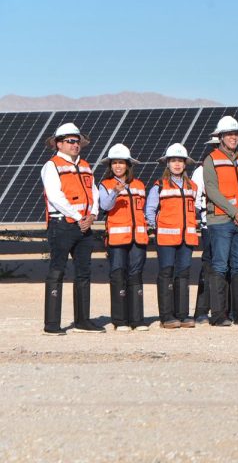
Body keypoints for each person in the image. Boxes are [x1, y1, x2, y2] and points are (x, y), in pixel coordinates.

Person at [41, 122, 105, 334]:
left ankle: (82, 320)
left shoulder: (86, 165)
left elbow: (94, 192)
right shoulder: (52, 165)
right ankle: (51, 324)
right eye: (70, 141)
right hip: (62, 225)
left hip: (85, 226)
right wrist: (79, 217)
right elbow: (55, 196)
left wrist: (93, 214)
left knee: (84, 273)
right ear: (59, 144)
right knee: (57, 271)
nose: (75, 145)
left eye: (77, 141)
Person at [203, 116, 238, 327]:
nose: (233, 137)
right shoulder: (211, 159)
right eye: (229, 134)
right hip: (220, 220)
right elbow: (212, 190)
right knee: (219, 265)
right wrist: (235, 212)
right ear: (220, 137)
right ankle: (218, 315)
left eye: (235, 134)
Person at [146, 143, 199, 329]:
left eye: (180, 161)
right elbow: (150, 210)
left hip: (187, 238)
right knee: (166, 274)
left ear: (185, 164)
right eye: (173, 160)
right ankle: (166, 316)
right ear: (167, 163)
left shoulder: (193, 186)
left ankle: (182, 315)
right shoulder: (159, 186)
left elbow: (196, 209)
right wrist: (157, 227)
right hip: (166, 239)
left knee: (183, 274)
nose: (177, 164)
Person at [98, 144, 149, 331]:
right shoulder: (105, 185)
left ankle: (137, 319)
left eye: (121, 163)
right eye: (114, 163)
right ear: (110, 166)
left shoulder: (140, 184)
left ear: (128, 165)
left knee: (136, 275)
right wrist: (116, 192)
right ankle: (120, 321)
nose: (118, 166)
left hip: (138, 238)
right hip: (117, 239)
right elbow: (105, 206)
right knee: (118, 275)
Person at [191, 136, 219, 323]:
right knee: (208, 265)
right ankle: (202, 310)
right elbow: (194, 199)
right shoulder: (200, 171)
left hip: (228, 225)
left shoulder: (232, 169)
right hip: (209, 225)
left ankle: (223, 308)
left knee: (226, 267)